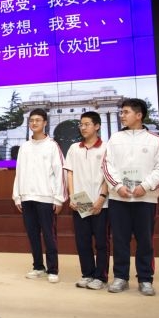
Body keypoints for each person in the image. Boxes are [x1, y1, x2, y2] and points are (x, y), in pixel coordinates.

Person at [102, 98, 159, 296]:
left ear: (139, 115)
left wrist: (145, 186)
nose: (122, 115)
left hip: (145, 199)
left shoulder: (154, 140)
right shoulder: (115, 138)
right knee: (120, 240)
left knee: (145, 241)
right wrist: (118, 186)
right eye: (121, 112)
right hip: (119, 198)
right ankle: (120, 277)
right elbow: (107, 166)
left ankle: (145, 279)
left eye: (126, 112)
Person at [12, 108, 67, 283]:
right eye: (31, 120)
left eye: (38, 120)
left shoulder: (52, 146)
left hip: (46, 197)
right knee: (33, 234)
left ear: (45, 123)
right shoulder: (25, 147)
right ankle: (38, 266)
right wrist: (17, 196)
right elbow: (19, 172)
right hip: (26, 197)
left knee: (49, 235)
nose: (34, 123)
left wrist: (59, 198)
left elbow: (60, 173)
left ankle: (53, 269)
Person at [64, 111, 110, 291]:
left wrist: (102, 198)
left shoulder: (106, 148)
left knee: (101, 242)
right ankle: (87, 274)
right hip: (81, 201)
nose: (83, 127)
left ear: (97, 126)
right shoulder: (74, 148)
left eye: (87, 124)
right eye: (81, 124)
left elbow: (108, 175)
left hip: (100, 202)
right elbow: (70, 173)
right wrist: (72, 196)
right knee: (83, 241)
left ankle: (100, 277)